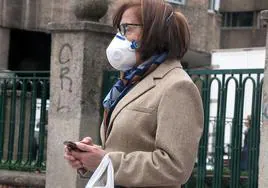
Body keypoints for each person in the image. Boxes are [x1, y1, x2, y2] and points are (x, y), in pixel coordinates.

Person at [64, 0, 204, 187]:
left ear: (154, 32)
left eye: (127, 28)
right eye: (119, 30)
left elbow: (174, 167)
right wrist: (90, 157)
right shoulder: (132, 81)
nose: (119, 37)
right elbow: (126, 148)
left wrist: (107, 161)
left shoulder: (177, 86)